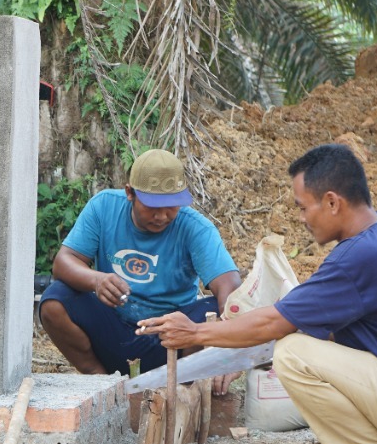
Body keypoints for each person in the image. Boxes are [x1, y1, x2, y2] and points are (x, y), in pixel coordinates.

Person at [140, 144, 377, 444]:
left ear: (332, 202)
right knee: (308, 340)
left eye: (303, 207)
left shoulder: (359, 258)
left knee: (293, 354)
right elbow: (299, 317)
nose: (301, 218)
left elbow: (274, 323)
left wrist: (194, 331)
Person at [38, 149, 241, 379]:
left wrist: (229, 355)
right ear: (130, 193)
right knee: (55, 300)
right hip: (113, 330)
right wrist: (97, 280)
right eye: (153, 207)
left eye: (172, 206)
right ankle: (99, 381)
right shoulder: (104, 207)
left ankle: (183, 383)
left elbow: (230, 286)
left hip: (171, 339)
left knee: (215, 310)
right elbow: (64, 261)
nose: (162, 216)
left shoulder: (195, 228)